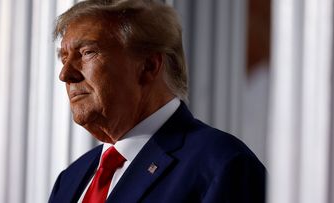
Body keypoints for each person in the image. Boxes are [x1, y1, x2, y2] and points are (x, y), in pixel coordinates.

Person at [49, 0, 266, 202]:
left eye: (87, 52)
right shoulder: (69, 180)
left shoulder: (224, 165)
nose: (65, 74)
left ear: (149, 66)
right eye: (64, 58)